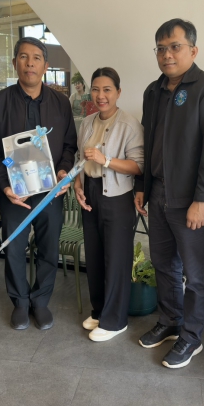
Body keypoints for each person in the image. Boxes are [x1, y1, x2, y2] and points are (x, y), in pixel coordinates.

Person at [134, 19, 204, 368]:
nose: (167, 55)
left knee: (195, 272)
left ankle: (191, 336)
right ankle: (171, 320)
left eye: (175, 47)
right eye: (161, 48)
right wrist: (142, 188)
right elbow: (148, 144)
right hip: (158, 192)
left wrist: (201, 200)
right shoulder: (153, 91)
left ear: (193, 50)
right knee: (163, 263)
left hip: (190, 199)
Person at [0, 37, 77, 331]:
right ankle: (20, 302)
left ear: (46, 66)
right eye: (23, 57)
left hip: (50, 192)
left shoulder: (60, 102)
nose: (30, 63)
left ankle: (41, 300)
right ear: (15, 63)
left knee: (49, 247)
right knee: (14, 248)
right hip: (15, 192)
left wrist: (63, 171)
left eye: (36, 58)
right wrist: (4, 186)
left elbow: (69, 145)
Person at [74, 67, 144, 342]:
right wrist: (78, 185)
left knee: (116, 260)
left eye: (107, 90)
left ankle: (115, 321)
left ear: (118, 92)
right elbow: (80, 159)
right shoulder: (86, 122)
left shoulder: (129, 124)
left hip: (117, 196)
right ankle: (100, 310)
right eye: (96, 89)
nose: (100, 95)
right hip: (91, 192)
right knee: (94, 256)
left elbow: (138, 166)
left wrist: (106, 161)